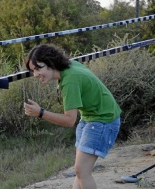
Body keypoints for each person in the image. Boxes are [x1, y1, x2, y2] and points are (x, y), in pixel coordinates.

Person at [23, 44, 121, 189]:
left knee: (82, 171)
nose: (35, 74)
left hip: (103, 120)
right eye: (33, 70)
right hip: (89, 117)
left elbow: (69, 120)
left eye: (39, 68)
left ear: (51, 63)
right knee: (80, 171)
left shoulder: (70, 81)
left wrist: (40, 113)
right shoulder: (69, 67)